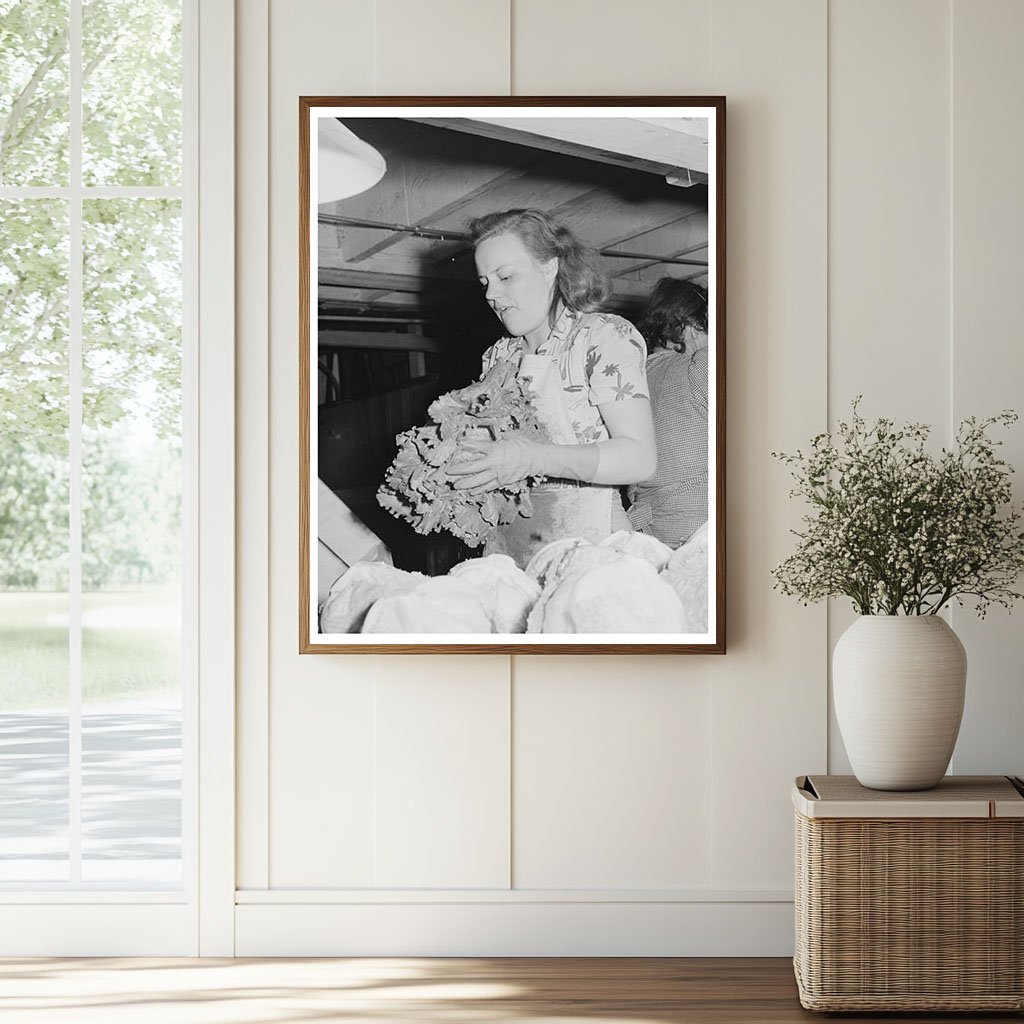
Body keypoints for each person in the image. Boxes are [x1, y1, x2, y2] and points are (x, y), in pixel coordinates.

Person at [446, 208, 657, 567]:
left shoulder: (599, 337)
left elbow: (640, 459)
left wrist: (532, 458)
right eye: (485, 283)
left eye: (505, 277)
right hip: (507, 552)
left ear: (550, 267)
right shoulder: (498, 356)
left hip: (589, 551)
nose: (491, 295)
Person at [625, 277, 709, 548]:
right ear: (693, 328)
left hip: (646, 532)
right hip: (701, 526)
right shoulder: (701, 364)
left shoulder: (631, 380)